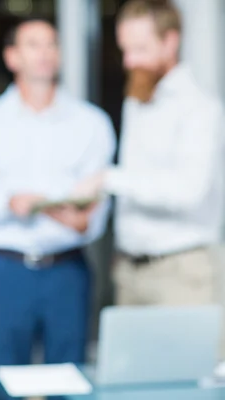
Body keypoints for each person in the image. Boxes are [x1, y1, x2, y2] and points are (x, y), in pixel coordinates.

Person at [0, 17, 115, 400]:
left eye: (51, 44)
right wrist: (14, 203)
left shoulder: (91, 123)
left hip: (68, 271)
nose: (45, 53)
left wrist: (40, 206)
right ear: (12, 56)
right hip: (5, 271)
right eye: (33, 44)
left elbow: (91, 220)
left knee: (72, 378)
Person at [74, 0, 224, 307]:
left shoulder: (201, 109)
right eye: (125, 49)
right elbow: (140, 181)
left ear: (170, 42)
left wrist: (108, 179)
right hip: (129, 270)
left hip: (182, 273)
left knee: (191, 357)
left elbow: (188, 191)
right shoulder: (137, 100)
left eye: (140, 49)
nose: (129, 61)